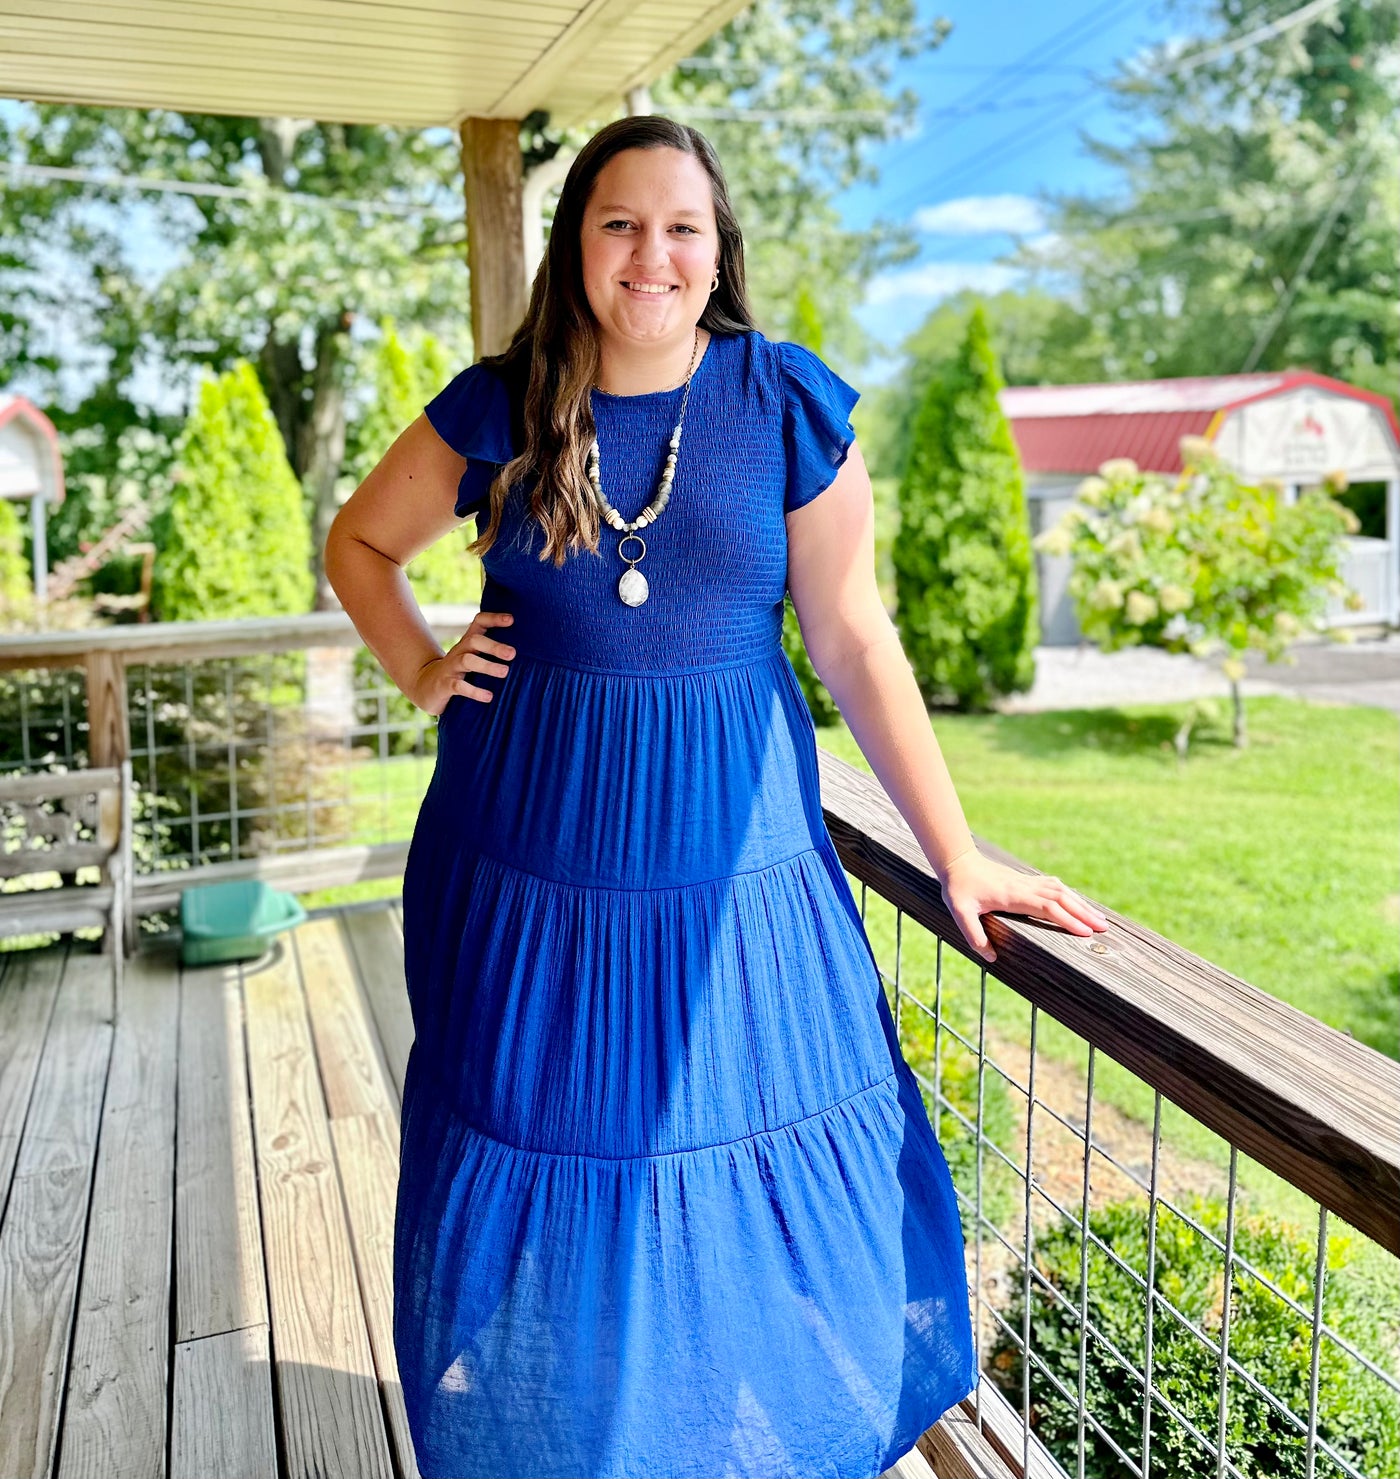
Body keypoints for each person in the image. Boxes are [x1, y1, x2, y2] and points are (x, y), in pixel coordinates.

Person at [325, 114, 1109, 1479]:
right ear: (576, 243)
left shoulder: (781, 403)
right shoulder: (499, 406)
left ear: (718, 247)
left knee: (732, 1159)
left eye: (683, 226)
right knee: (557, 1161)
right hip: (524, 863)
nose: (653, 254)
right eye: (621, 223)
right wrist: (422, 668)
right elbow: (358, 545)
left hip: (733, 869)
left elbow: (857, 638)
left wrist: (958, 852)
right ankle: (571, 1443)